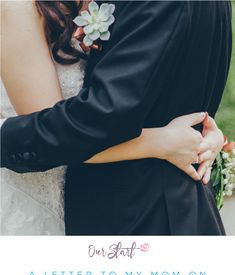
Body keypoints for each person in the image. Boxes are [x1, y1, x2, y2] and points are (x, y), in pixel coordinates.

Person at [0, 1, 231, 235]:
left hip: (137, 209)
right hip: (49, 200)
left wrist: (199, 138)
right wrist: (159, 142)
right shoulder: (21, 8)